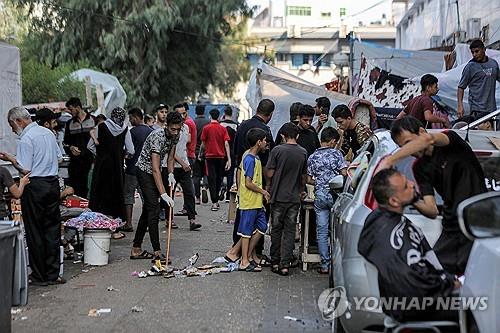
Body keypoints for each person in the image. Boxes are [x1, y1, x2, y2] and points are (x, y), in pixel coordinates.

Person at [380, 116, 487, 275]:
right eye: (403, 147)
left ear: (422, 131)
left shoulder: (451, 142)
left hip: (478, 225)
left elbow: (428, 139)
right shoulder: (419, 168)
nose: (410, 151)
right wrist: (412, 198)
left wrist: (390, 159)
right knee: (431, 276)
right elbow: (431, 210)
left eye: (409, 143)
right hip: (451, 229)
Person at [358, 169, 460, 323]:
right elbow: (412, 282)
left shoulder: (381, 220)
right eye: (406, 186)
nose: (413, 184)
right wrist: (450, 285)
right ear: (393, 201)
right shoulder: (389, 235)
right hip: (417, 306)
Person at [1, 106, 64, 285]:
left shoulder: (26, 139)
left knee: (35, 230)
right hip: (52, 184)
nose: (13, 129)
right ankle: (53, 273)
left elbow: (25, 168)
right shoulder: (48, 133)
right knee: (52, 229)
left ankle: (39, 275)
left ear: (19, 121)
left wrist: (11, 159)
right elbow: (59, 158)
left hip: (35, 185)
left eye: (12, 125)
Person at [131, 111, 181, 262]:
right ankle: (158, 251)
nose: (176, 132)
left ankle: (136, 248)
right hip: (144, 170)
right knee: (154, 208)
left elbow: (171, 158)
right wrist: (164, 194)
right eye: (173, 129)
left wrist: (171, 173)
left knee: (148, 210)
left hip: (156, 169)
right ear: (167, 126)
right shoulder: (157, 137)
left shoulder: (176, 135)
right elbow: (155, 169)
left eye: (178, 129)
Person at [232, 99, 275, 258]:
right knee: (257, 219)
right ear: (270, 115)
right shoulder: (265, 132)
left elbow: (236, 154)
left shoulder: (242, 125)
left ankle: (239, 251)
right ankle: (250, 254)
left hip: (241, 175)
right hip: (257, 180)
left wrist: (237, 182)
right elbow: (269, 161)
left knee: (242, 216)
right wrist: (266, 187)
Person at [266, 123, 307, 276]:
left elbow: (269, 173)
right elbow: (303, 177)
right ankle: (285, 264)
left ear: (283, 136)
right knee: (290, 231)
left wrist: (269, 185)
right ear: (297, 136)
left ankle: (275, 262)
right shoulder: (303, 152)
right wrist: (301, 191)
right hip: (294, 198)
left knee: (276, 229)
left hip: (277, 197)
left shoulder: (277, 150)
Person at [88, 107, 134, 239]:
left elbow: (89, 146)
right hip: (117, 167)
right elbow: (131, 150)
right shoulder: (125, 129)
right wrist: (122, 156)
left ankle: (99, 227)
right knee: (115, 195)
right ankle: (115, 230)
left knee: (100, 195)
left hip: (101, 167)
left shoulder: (101, 127)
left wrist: (101, 155)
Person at [307, 127, 347, 274]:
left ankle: (324, 265)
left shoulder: (312, 157)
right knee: (337, 230)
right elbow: (344, 173)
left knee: (322, 232)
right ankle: (338, 264)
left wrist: (320, 183)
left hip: (320, 197)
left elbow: (309, 179)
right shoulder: (337, 154)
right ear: (331, 141)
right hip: (335, 196)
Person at [236, 128, 270, 271]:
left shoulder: (256, 159)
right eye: (264, 140)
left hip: (256, 202)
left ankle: (248, 256)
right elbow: (248, 183)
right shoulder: (249, 159)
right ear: (258, 142)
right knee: (246, 232)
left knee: (262, 227)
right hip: (249, 201)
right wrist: (264, 192)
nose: (266, 143)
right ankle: (244, 261)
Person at [169, 103, 201, 231]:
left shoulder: (186, 127)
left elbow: (185, 145)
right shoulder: (170, 130)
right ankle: (169, 219)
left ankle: (192, 220)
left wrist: (186, 161)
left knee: (189, 192)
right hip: (172, 166)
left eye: (184, 113)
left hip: (185, 164)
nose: (182, 116)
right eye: (179, 114)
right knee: (170, 193)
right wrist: (183, 163)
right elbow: (170, 151)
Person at [122, 107, 153, 232]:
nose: (130, 121)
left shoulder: (132, 132)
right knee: (146, 197)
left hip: (131, 170)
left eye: (130, 118)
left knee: (128, 197)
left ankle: (128, 223)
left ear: (135, 117)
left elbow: (129, 150)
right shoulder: (151, 131)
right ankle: (146, 223)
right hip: (146, 170)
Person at [457, 39, 500, 119]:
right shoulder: (470, 67)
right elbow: (461, 87)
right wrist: (460, 105)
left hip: (492, 109)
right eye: (472, 52)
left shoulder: (493, 64)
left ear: (484, 49)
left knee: (491, 130)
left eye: (477, 51)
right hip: (476, 109)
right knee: (479, 130)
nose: (474, 54)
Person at [63, 97, 96, 198]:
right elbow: (65, 143)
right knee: (76, 190)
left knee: (91, 189)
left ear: (78, 107)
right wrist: (71, 148)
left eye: (71, 109)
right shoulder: (69, 124)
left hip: (90, 162)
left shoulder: (93, 120)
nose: (70, 112)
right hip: (75, 164)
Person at [200, 108, 231, 211]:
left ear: (210, 116)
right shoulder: (223, 129)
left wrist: (200, 154)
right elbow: (226, 143)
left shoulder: (206, 128)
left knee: (211, 178)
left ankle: (214, 202)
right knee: (218, 178)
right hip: (221, 157)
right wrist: (229, 159)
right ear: (218, 116)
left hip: (209, 157)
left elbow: (203, 144)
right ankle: (216, 200)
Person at [220, 105, 239, 201]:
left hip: (221, 151)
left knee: (219, 173)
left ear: (224, 113)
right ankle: (228, 195)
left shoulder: (220, 124)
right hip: (232, 151)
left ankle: (220, 189)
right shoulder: (235, 125)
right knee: (230, 174)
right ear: (232, 114)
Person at [193, 104, 210, 204]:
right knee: (205, 173)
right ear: (204, 111)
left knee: (196, 175)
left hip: (195, 151)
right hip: (206, 152)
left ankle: (198, 198)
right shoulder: (208, 122)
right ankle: (205, 187)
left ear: (196, 112)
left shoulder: (193, 122)